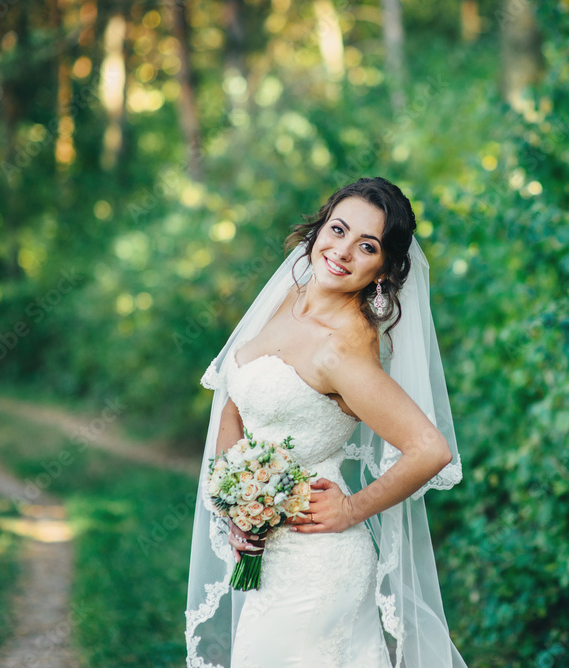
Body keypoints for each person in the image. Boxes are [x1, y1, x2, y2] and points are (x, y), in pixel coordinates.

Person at [185, 177, 466, 667]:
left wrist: (353, 508)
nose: (342, 251)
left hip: (319, 565)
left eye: (367, 246)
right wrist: (236, 506)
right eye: (337, 230)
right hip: (267, 554)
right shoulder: (286, 298)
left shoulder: (343, 349)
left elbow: (430, 449)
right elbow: (233, 400)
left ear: (383, 270)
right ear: (318, 230)